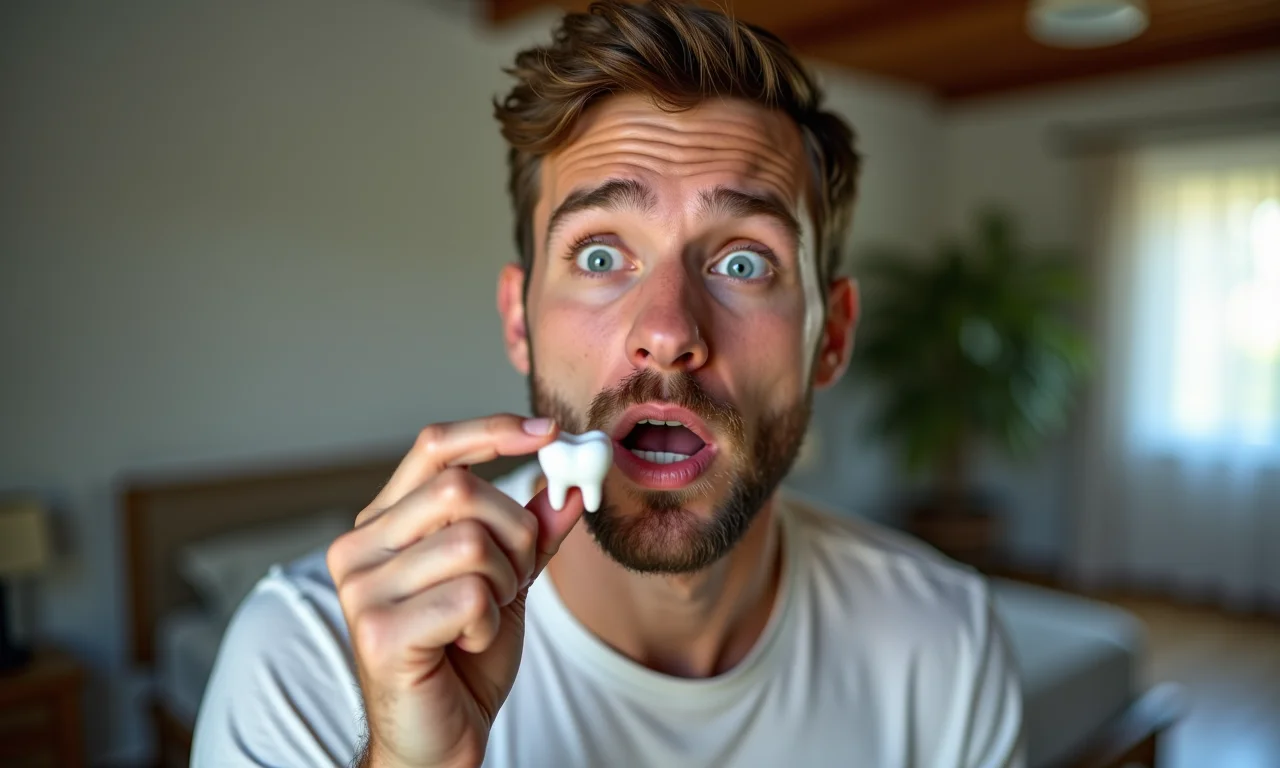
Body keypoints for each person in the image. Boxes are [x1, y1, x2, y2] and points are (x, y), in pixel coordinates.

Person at [192, 1, 1024, 766]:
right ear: (520, 320)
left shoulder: (944, 639)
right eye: (599, 255)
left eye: (744, 260)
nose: (666, 330)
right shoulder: (304, 660)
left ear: (830, 336)